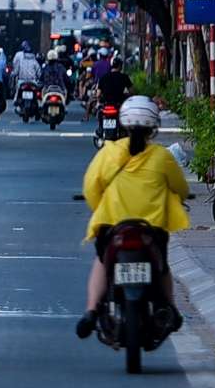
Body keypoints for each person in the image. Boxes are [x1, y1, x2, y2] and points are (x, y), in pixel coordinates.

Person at [77, 94, 190, 337]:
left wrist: (101, 207)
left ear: (123, 123)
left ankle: (90, 312)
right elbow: (182, 189)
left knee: (101, 260)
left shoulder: (108, 153)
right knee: (162, 267)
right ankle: (171, 308)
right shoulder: (162, 157)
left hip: (113, 226)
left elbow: (90, 187)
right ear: (154, 127)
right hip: (153, 229)